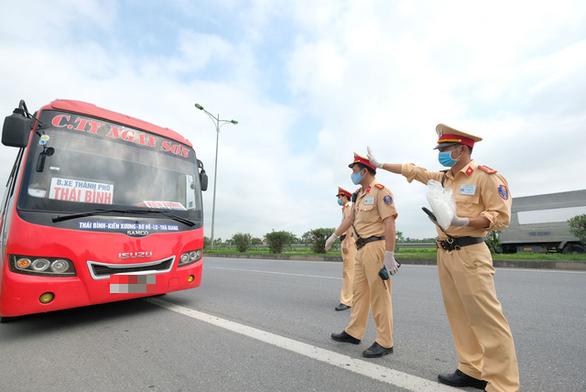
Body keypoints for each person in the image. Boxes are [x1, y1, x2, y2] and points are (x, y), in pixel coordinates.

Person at [367, 124, 519, 392]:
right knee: (458, 315)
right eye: (440, 149)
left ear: (462, 149)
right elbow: (415, 171)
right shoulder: (444, 178)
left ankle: (502, 384)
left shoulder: (486, 177)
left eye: (446, 149)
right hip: (445, 253)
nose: (441, 154)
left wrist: (462, 220)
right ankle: (471, 369)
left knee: (486, 319)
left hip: (470, 251)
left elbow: (500, 217)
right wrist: (381, 164)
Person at [325, 152, 400, 358]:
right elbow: (350, 219)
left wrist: (389, 254)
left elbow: (389, 223)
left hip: (376, 248)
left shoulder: (381, 192)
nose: (353, 174)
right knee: (359, 294)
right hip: (360, 248)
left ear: (365, 171)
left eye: (355, 171)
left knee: (379, 296)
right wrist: (334, 235)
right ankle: (354, 332)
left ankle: (385, 341)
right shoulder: (358, 195)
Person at [335, 187, 356, 311]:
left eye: (339, 197)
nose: (338, 199)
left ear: (345, 197)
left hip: (349, 240)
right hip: (347, 239)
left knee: (348, 271)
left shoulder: (348, 207)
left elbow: (350, 225)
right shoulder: (345, 209)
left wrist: (347, 241)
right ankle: (352, 297)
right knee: (349, 270)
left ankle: (347, 300)